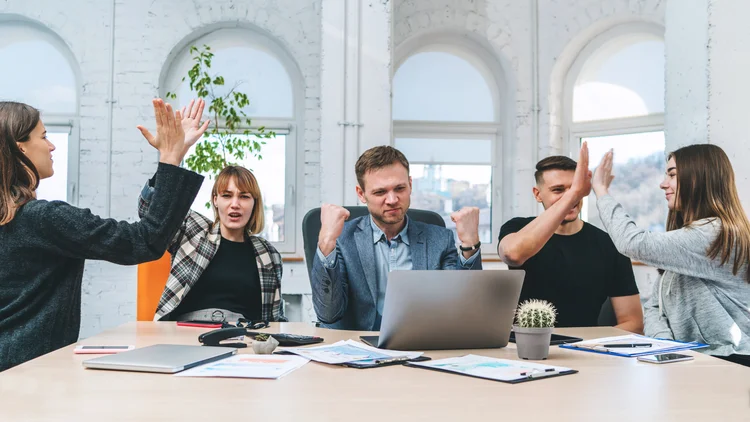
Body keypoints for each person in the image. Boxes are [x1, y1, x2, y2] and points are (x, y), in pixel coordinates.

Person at [0, 99, 205, 371]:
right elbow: (144, 241)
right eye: (44, 136)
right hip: (29, 375)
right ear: (19, 146)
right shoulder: (43, 219)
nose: (51, 146)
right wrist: (170, 158)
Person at [593, 144, 750, 364]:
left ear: (699, 178)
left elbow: (632, 242)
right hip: (693, 360)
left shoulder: (715, 233)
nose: (663, 184)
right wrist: (667, 346)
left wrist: (601, 191)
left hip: (732, 361)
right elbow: (655, 305)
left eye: (672, 175)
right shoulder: (687, 243)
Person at [138, 100, 284, 323]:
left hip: (241, 339)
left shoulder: (268, 254)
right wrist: (172, 157)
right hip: (184, 337)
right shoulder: (194, 230)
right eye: (227, 195)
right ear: (215, 200)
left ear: (254, 203)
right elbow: (149, 211)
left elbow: (273, 319)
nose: (235, 204)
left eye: (244, 196)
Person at [310, 146, 482, 331]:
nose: (392, 200)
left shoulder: (439, 239)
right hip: (357, 348)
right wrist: (327, 242)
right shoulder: (343, 239)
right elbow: (328, 314)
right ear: (361, 194)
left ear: (410, 185)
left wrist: (469, 244)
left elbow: (464, 310)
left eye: (399, 188)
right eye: (380, 192)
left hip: (421, 344)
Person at [497, 144, 644, 332]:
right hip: (525, 346)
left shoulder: (609, 244)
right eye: (558, 190)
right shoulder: (517, 227)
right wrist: (574, 193)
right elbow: (513, 254)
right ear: (538, 194)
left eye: (574, 188)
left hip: (586, 351)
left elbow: (634, 323)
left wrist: (588, 346)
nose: (571, 197)